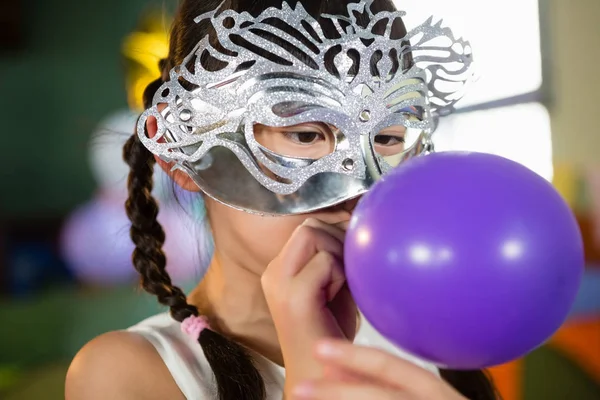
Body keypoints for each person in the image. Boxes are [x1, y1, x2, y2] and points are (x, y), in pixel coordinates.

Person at [66, 1, 498, 399]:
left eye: (386, 138)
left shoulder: (428, 331)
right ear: (183, 151)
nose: (355, 186)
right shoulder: (125, 373)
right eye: (305, 135)